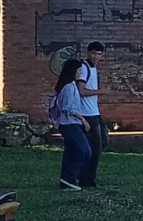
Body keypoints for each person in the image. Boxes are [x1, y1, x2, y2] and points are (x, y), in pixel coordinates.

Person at [55, 58, 91, 191]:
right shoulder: (69, 87)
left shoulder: (72, 86)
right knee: (84, 151)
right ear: (74, 71)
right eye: (79, 70)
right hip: (70, 124)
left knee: (71, 152)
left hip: (72, 124)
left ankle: (67, 180)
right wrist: (82, 119)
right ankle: (70, 177)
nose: (80, 73)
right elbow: (67, 108)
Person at [77, 41, 109, 188]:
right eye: (94, 53)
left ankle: (83, 173)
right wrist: (102, 92)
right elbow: (82, 91)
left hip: (94, 112)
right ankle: (87, 180)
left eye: (99, 54)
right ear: (89, 53)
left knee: (103, 142)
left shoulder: (93, 68)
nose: (96, 56)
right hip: (87, 114)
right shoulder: (84, 68)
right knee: (95, 148)